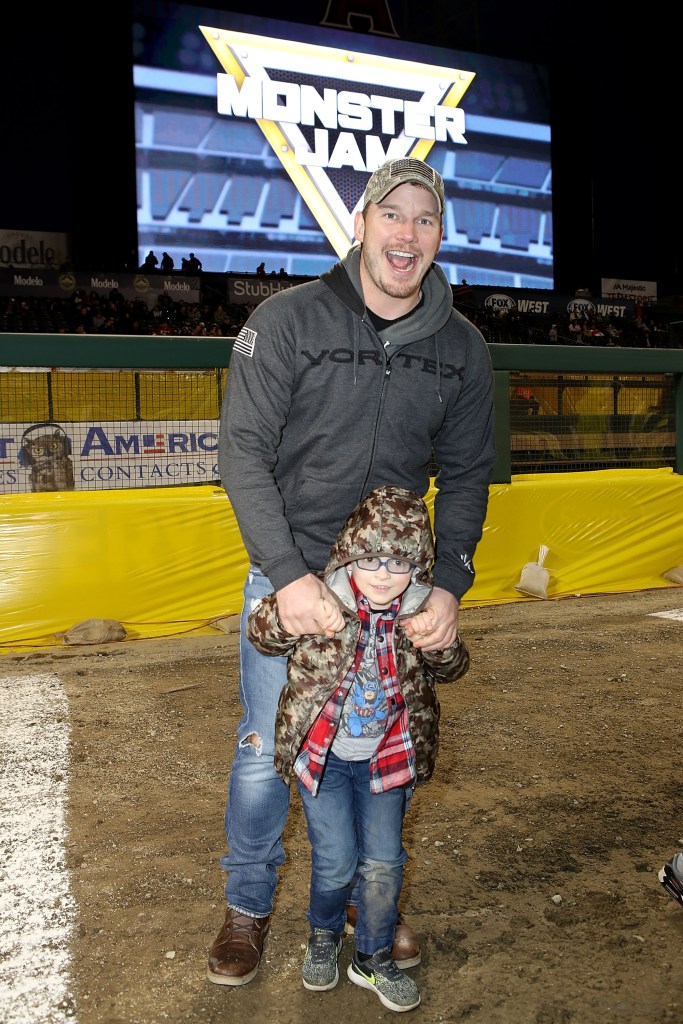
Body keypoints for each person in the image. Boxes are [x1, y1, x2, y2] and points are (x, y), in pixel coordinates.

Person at [211, 156, 496, 987]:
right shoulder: (289, 319)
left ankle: (366, 905)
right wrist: (289, 576)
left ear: (438, 236)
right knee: (269, 749)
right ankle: (247, 906)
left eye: (425, 220)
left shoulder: (462, 347)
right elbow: (243, 453)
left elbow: (472, 472)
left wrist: (448, 584)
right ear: (363, 222)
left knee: (380, 749)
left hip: (391, 595)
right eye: (392, 215)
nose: (407, 234)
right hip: (291, 577)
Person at [246, 486, 471, 1010]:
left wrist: (442, 644)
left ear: (418, 565)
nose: (383, 574)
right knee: (336, 863)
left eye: (399, 562)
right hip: (323, 761)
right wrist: (285, 615)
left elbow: (455, 669)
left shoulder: (418, 615)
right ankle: (323, 936)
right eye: (369, 558)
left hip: (387, 762)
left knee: (385, 862)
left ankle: (371, 956)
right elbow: (263, 633)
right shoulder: (325, 602)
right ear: (348, 553)